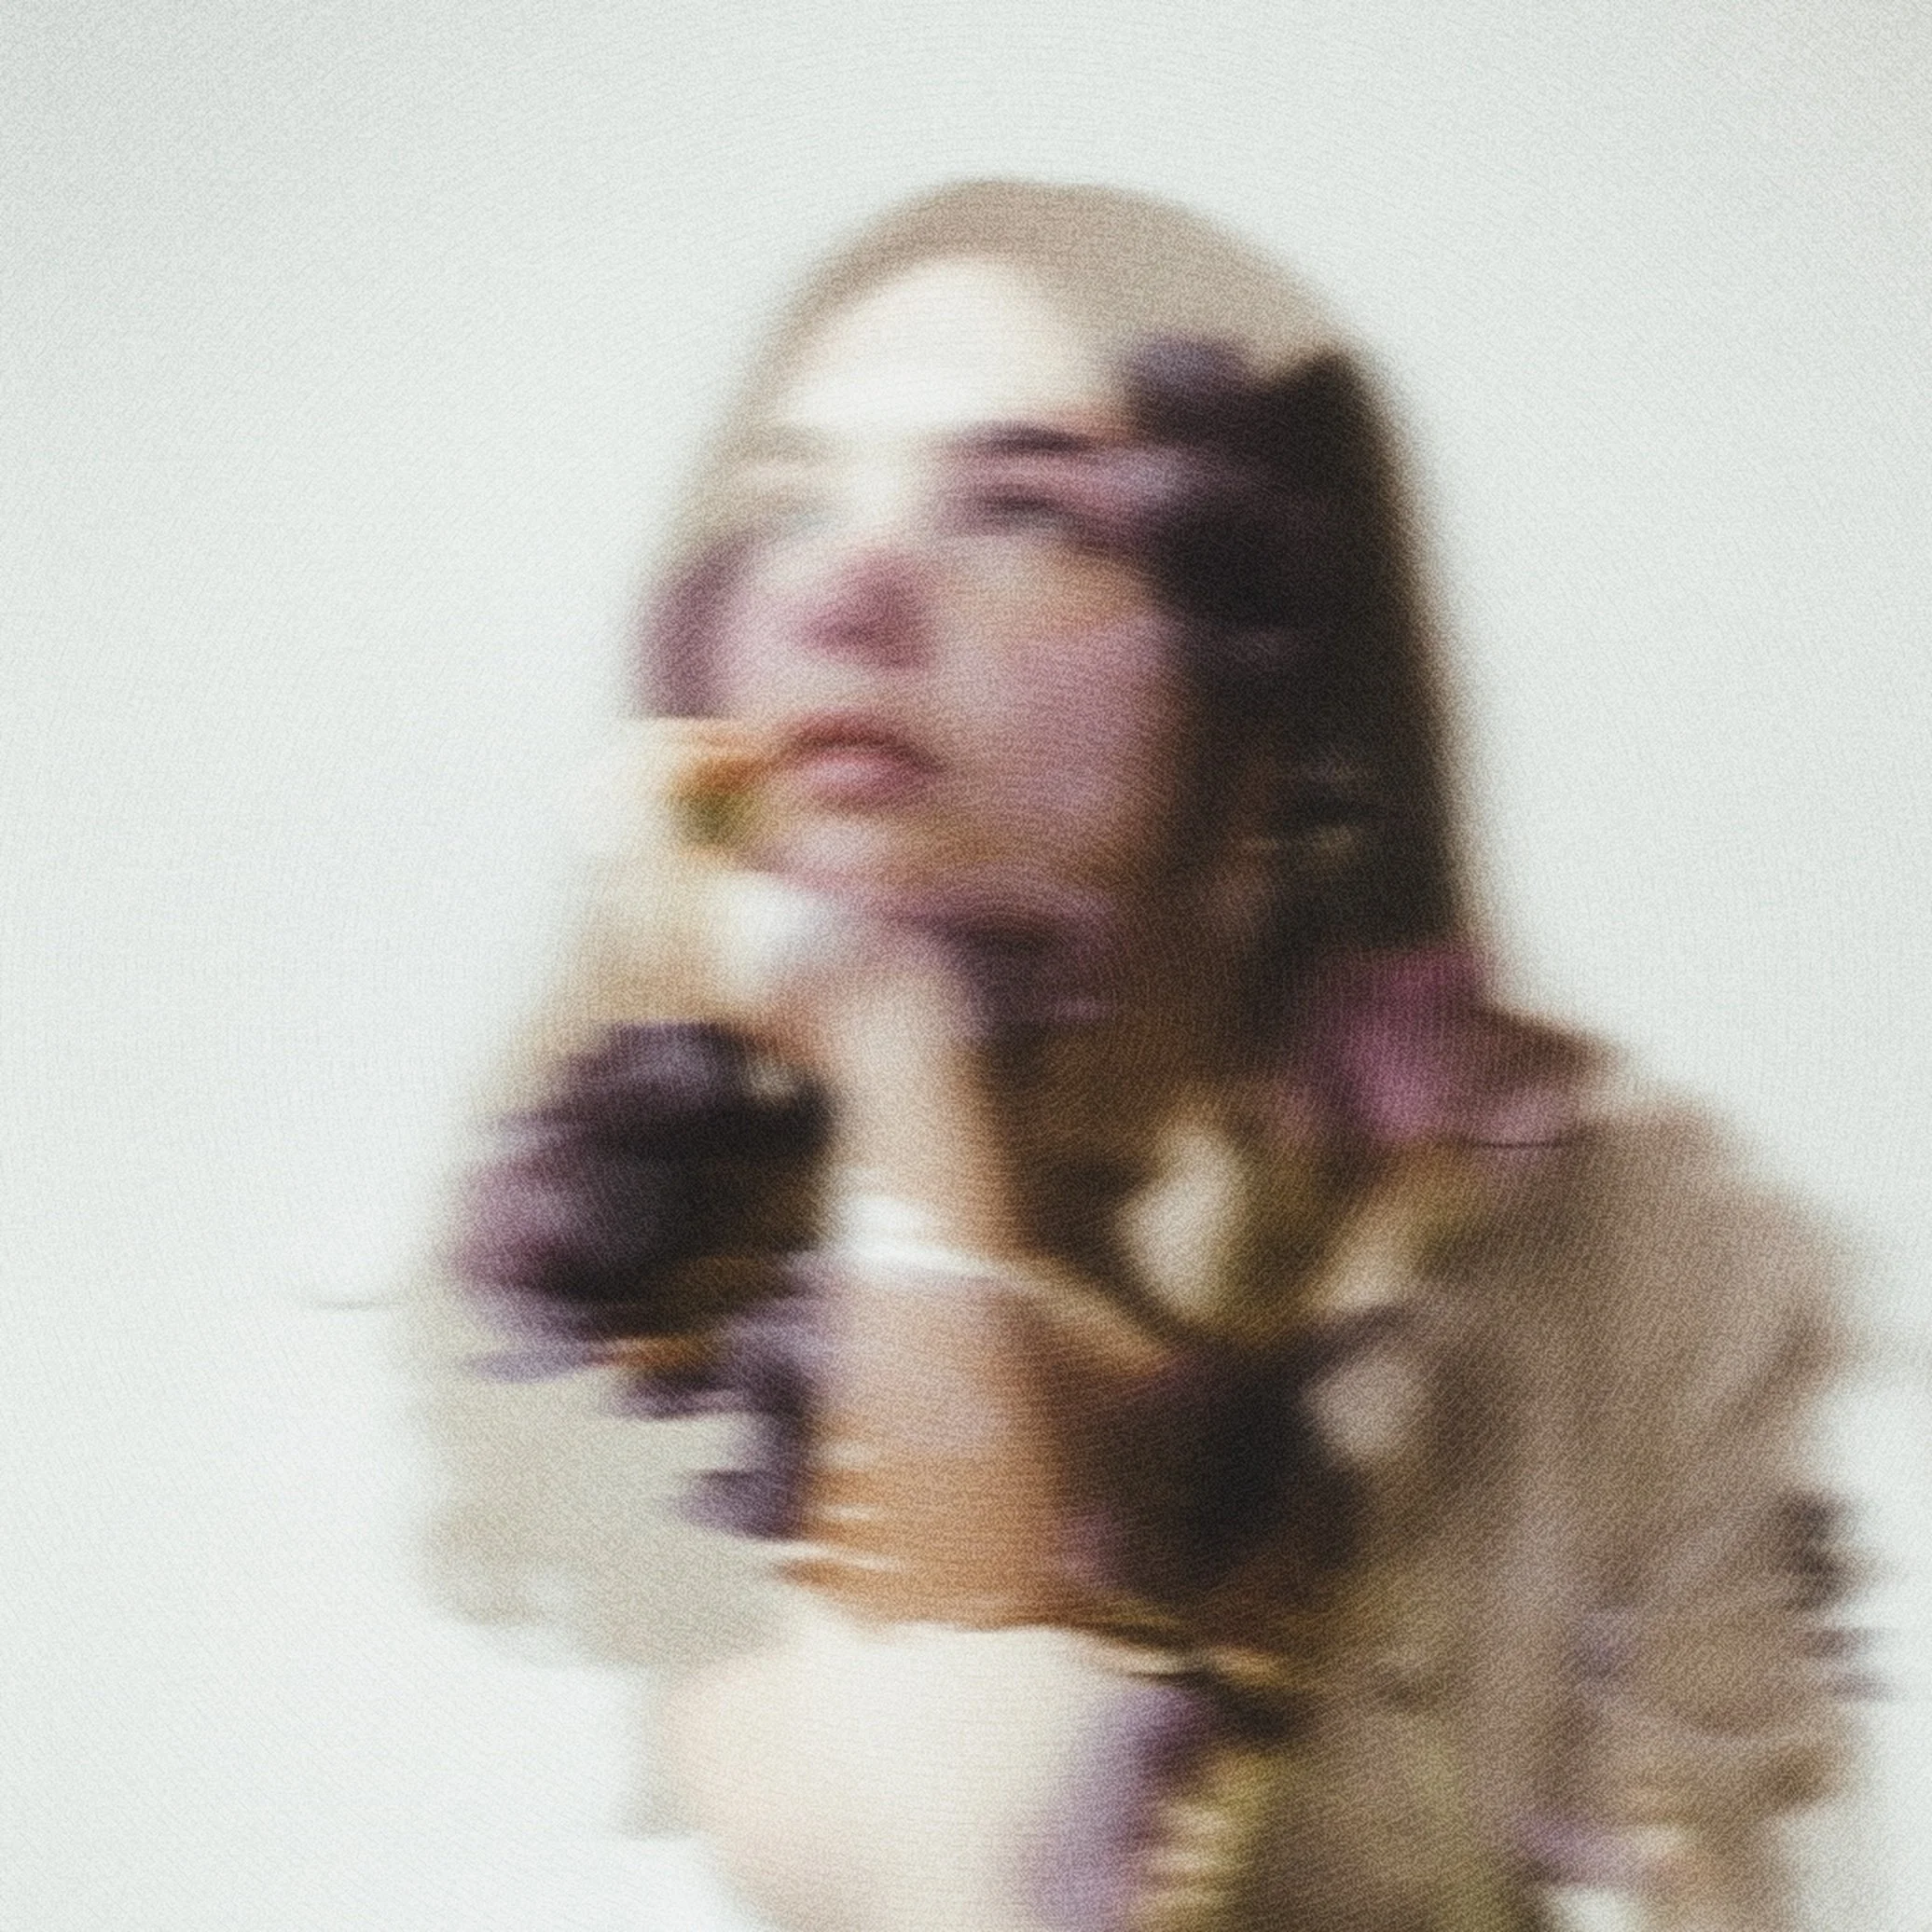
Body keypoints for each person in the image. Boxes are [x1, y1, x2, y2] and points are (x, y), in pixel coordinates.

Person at [414, 181, 1859, 1931]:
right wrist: (894, 1068)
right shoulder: (630, 1291)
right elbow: (954, 1882)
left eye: (1020, 511)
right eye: (788, 505)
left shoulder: (1620, 1254)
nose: (854, 595)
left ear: (1259, 685)